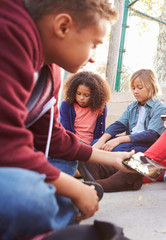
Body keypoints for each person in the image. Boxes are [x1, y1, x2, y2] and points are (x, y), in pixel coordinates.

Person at [0, 1, 135, 239]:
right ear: (63, 26)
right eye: (93, 45)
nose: (93, 58)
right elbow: (7, 142)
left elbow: (53, 139)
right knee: (34, 200)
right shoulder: (10, 32)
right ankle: (54, 217)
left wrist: (111, 158)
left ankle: (54, 211)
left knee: (66, 163)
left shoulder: (50, 71)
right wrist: (72, 187)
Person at [80, 69, 166, 192]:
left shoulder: (159, 108)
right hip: (130, 142)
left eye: (139, 87)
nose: (135, 91)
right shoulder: (132, 106)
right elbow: (118, 124)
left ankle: (112, 174)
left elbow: (151, 135)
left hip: (145, 146)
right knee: (96, 143)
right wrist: (101, 141)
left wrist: (119, 140)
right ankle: (100, 172)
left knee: (122, 150)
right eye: (133, 88)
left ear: (151, 86)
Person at [60, 71, 111, 145]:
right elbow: (65, 129)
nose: (81, 98)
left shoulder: (100, 107)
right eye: (78, 93)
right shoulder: (67, 105)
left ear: (94, 95)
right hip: (72, 143)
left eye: (86, 95)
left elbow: (101, 131)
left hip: (92, 144)